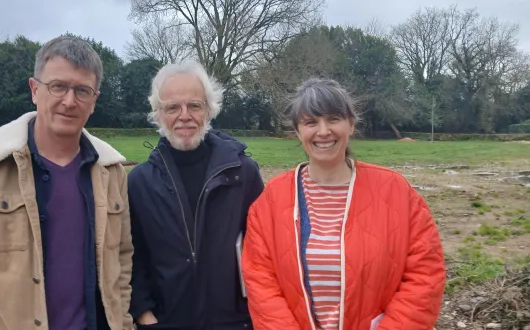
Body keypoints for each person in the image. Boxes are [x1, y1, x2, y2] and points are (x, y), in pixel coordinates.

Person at [0, 36, 134, 330]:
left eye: (82, 90)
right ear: (35, 89)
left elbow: (121, 262)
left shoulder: (112, 173)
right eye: (57, 86)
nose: (69, 101)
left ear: (94, 100)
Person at [241, 78, 446, 330]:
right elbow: (261, 281)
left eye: (333, 119)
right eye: (311, 122)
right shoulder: (271, 199)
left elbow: (425, 275)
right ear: (297, 131)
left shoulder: (396, 191)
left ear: (351, 124)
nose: (323, 131)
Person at [127, 61, 265, 330]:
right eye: (172, 107)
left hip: (234, 323)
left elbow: (264, 251)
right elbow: (131, 256)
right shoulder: (139, 182)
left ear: (209, 109)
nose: (184, 115)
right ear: (158, 114)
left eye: (194, 105)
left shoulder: (243, 174)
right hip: (167, 322)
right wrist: (144, 313)